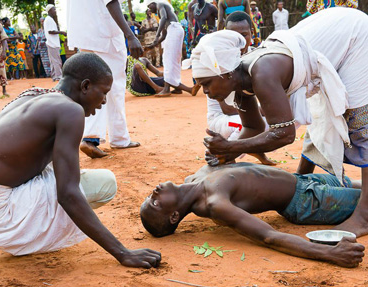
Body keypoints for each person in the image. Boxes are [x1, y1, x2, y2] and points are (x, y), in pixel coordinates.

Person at [0, 52, 161, 268]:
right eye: (103, 92)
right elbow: (67, 194)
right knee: (105, 183)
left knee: (59, 169)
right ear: (85, 86)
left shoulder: (34, 94)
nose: (104, 101)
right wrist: (122, 253)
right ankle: (10, 235)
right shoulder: (71, 111)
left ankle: (0, 232)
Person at [190, 8, 368, 236]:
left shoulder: (262, 73)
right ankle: (302, 177)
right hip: (329, 36)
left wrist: (231, 147)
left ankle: (364, 215)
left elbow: (283, 134)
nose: (205, 91)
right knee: (319, 113)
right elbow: (253, 128)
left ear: (226, 73)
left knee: (359, 122)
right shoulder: (240, 80)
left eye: (207, 83)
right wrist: (226, 154)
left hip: (354, 36)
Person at [140, 162, 365, 268]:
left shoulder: (194, 178)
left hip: (305, 181)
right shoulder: (215, 204)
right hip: (309, 201)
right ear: (173, 217)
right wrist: (331, 253)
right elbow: (269, 236)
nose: (154, 193)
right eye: (155, 202)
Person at [67, 0, 143, 159]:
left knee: (92, 85)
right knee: (111, 87)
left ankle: (118, 137)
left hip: (86, 36)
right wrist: (130, 34)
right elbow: (111, 2)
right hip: (105, 36)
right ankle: (93, 138)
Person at [202, 11, 273, 166]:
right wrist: (266, 109)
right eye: (233, 35)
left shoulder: (257, 56)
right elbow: (227, 109)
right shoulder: (217, 61)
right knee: (247, 125)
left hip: (252, 112)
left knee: (285, 121)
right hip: (221, 117)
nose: (239, 41)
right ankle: (225, 157)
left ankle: (253, 149)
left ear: (252, 33)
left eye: (244, 35)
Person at [146, 1, 186, 97]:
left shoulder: (160, 5)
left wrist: (156, 36)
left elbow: (164, 18)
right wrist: (154, 44)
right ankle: (176, 87)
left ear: (153, 3)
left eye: (149, 6)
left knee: (168, 59)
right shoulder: (163, 14)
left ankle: (167, 89)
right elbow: (164, 35)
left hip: (174, 30)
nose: (149, 9)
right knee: (174, 59)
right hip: (175, 30)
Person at [126, 56, 194, 97]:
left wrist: (170, 73)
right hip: (136, 87)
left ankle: (189, 90)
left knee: (167, 79)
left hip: (147, 84)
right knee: (137, 66)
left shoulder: (144, 60)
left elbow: (158, 73)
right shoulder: (127, 60)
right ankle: (156, 88)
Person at [44, 5, 65, 82]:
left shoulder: (49, 19)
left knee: (53, 61)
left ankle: (54, 76)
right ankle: (59, 76)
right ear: (49, 10)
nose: (55, 11)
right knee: (56, 61)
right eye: (54, 9)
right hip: (52, 43)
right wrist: (62, 32)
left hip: (52, 43)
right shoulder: (49, 20)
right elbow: (51, 31)